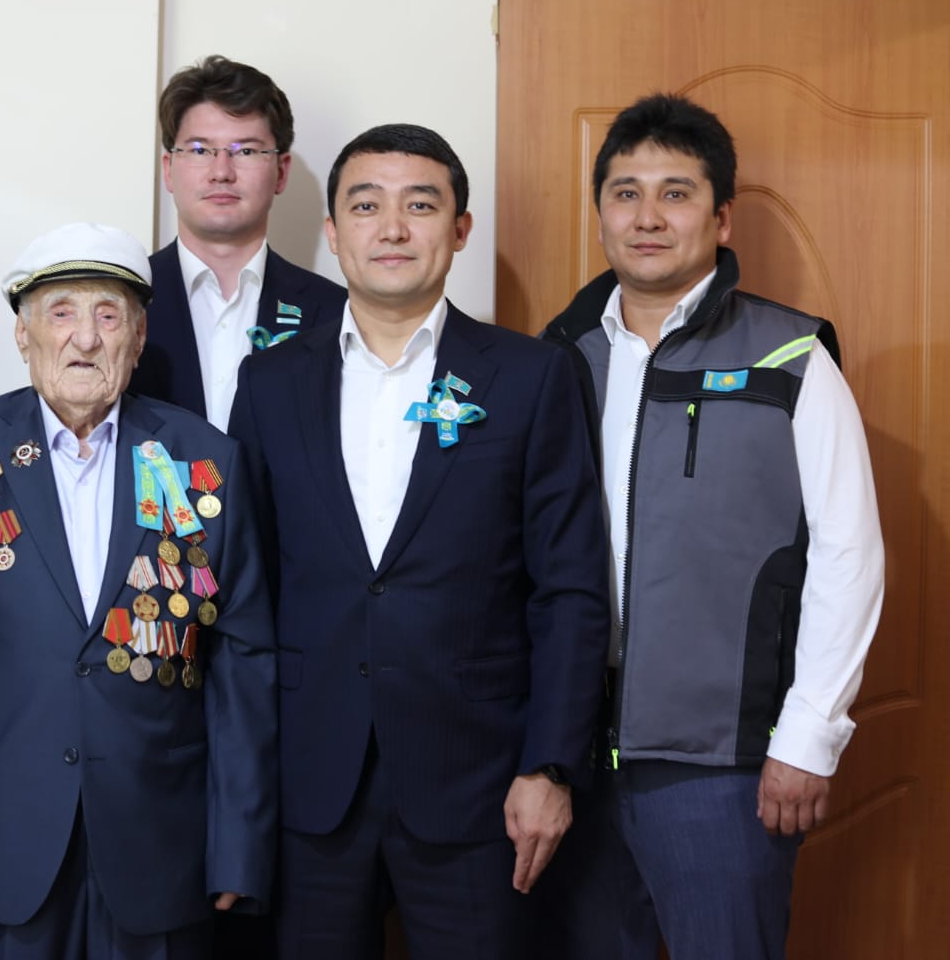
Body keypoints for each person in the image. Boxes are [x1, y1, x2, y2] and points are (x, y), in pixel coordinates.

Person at [227, 124, 610, 959]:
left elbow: (571, 590)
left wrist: (550, 766)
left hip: (481, 784)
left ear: (460, 229)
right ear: (333, 234)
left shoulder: (531, 376)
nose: (392, 228)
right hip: (308, 783)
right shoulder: (270, 382)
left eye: (421, 205)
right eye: (366, 206)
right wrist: (240, 784)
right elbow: (244, 588)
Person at [536, 94, 885, 960]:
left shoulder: (790, 357)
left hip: (725, 767)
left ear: (721, 218)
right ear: (600, 212)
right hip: (574, 760)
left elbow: (849, 554)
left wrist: (810, 735)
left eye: (676, 193)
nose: (647, 217)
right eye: (625, 193)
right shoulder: (558, 357)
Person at [0, 223, 276, 960]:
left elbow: (242, 666)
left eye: (108, 314)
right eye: (61, 313)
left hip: (162, 851)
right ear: (23, 335)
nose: (85, 338)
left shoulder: (205, 460)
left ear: (139, 336)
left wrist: (240, 847)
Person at [131, 55, 346, 430]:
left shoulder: (336, 313)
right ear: (168, 169)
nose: (221, 172)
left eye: (245, 151)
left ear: (281, 172)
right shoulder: (122, 300)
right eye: (200, 150)